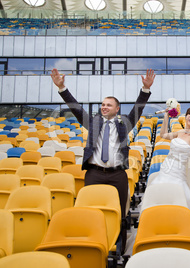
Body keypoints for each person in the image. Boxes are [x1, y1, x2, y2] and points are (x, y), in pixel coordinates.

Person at [50, 68, 155, 253]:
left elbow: (138, 109)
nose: (104, 107)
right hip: (95, 174)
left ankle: (120, 249)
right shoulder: (93, 122)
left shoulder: (124, 124)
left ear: (117, 109)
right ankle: (90, 246)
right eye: (102, 105)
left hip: (118, 175)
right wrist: (62, 88)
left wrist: (145, 90)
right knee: (89, 211)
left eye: (108, 105)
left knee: (121, 214)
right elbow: (75, 107)